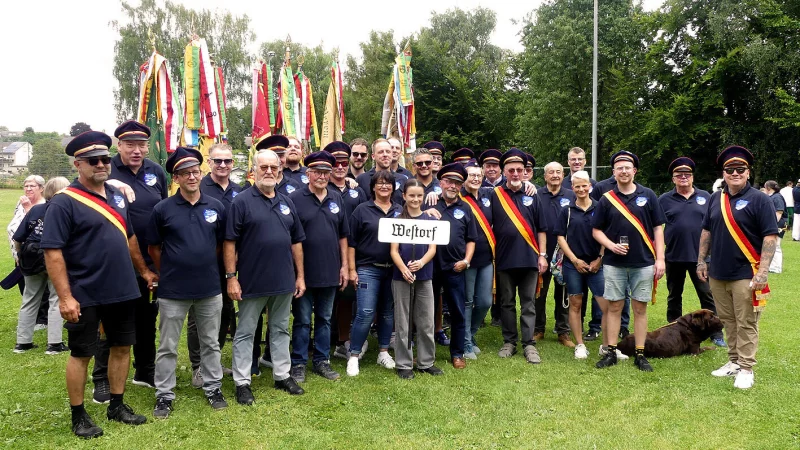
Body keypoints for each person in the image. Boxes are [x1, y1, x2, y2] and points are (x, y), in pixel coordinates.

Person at [41, 131, 157, 438]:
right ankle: (78, 415)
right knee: (82, 353)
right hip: (84, 292)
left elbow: (130, 237)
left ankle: (116, 405)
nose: (102, 165)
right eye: (94, 161)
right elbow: (52, 252)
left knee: (121, 347)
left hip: (121, 288)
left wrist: (143, 271)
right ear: (78, 164)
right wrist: (65, 297)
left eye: (106, 159)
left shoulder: (118, 195)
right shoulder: (64, 202)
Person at [149, 147, 227, 418]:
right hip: (173, 289)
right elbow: (154, 248)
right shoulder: (162, 209)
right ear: (176, 178)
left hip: (209, 287)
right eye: (185, 173)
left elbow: (218, 246)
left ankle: (213, 387)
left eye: (196, 171)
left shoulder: (216, 207)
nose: (192, 177)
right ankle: (164, 395)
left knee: (210, 342)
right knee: (168, 345)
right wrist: (172, 269)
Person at [226, 149, 306, 405]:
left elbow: (296, 242)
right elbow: (230, 242)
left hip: (283, 281)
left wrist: (300, 276)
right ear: (254, 170)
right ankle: (242, 382)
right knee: (246, 332)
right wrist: (231, 277)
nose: (269, 171)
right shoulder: (241, 201)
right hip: (252, 281)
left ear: (280, 171)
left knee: (281, 329)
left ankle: (282, 375)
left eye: (274, 167)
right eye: (264, 167)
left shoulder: (286, 202)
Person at [697, 145, 778, 389]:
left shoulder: (760, 199)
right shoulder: (715, 198)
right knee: (728, 321)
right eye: (729, 169)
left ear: (748, 172)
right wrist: (701, 260)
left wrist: (763, 271)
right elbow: (707, 231)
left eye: (740, 169)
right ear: (723, 173)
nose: (734, 173)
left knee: (747, 322)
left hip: (746, 273)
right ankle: (733, 361)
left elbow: (770, 236)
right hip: (718, 272)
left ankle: (746, 367)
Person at [103, 120, 168, 390]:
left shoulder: (156, 171)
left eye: (142, 144)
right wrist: (112, 182)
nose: (137, 150)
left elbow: (163, 210)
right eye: (130, 144)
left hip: (149, 259)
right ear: (119, 146)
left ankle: (145, 370)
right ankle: (101, 380)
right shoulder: (104, 168)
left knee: (146, 317)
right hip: (114, 260)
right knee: (111, 320)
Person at [592, 150, 666, 372]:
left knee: (640, 308)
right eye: (619, 168)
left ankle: (640, 354)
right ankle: (611, 351)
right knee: (614, 307)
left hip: (643, 262)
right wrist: (610, 245)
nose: (623, 171)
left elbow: (658, 229)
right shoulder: (606, 199)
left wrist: (660, 259)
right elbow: (596, 230)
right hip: (614, 263)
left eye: (627, 167)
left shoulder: (649, 195)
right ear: (613, 173)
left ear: (634, 171)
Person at [288, 151, 349, 382]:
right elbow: (293, 239)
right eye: (317, 172)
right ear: (308, 173)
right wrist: (298, 274)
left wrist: (344, 266)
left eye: (326, 172)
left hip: (330, 271)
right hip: (304, 273)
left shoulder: (336, 198)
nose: (322, 176)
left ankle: (322, 361)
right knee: (303, 320)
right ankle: (299, 363)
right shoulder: (295, 199)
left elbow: (344, 236)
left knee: (324, 319)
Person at [187, 143, 241, 388]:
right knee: (199, 317)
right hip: (204, 264)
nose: (223, 165)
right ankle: (198, 366)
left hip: (232, 264)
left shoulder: (240, 190)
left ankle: (214, 361)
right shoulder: (198, 187)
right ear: (209, 162)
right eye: (218, 161)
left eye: (227, 161)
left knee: (225, 312)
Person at [657, 157, 725, 347]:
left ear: (693, 177)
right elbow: (655, 227)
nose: (683, 178)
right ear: (673, 179)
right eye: (679, 175)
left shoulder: (707, 197)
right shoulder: (664, 199)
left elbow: (715, 225)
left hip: (701, 259)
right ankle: (674, 328)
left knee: (707, 295)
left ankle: (716, 333)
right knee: (673, 296)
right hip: (674, 256)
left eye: (687, 174)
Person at [492, 148, 548, 364]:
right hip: (505, 259)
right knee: (506, 302)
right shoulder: (494, 194)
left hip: (529, 258)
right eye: (511, 170)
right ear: (504, 172)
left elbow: (541, 228)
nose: (515, 174)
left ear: (525, 172)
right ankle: (509, 341)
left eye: (519, 170)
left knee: (528, 303)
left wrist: (542, 255)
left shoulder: (533, 194)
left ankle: (529, 344)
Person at [346, 170, 402, 376]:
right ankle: (353, 355)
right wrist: (352, 269)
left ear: (393, 187)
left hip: (393, 270)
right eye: (380, 183)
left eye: (388, 183)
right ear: (373, 187)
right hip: (368, 268)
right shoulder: (362, 210)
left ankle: (383, 352)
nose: (384, 187)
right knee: (366, 312)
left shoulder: (400, 210)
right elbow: (351, 243)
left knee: (387, 313)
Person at [390, 179, 441, 379]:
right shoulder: (397, 220)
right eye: (411, 195)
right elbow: (393, 250)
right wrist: (403, 268)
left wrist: (421, 263)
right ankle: (403, 364)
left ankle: (426, 362)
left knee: (426, 320)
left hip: (425, 274)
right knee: (403, 321)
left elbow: (433, 249)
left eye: (419, 196)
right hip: (401, 276)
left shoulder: (430, 221)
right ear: (404, 196)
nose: (415, 199)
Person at [12, 176, 69, 354]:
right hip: (55, 258)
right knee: (56, 299)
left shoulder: (35, 209)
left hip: (31, 259)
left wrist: (20, 256)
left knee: (29, 299)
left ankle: (23, 343)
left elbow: (18, 237)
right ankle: (54, 344)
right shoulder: (66, 210)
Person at [554, 171, 605, 359]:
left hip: (596, 265)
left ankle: (607, 345)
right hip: (572, 265)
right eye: (577, 186)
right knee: (575, 304)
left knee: (605, 305)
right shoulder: (566, 210)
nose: (581, 189)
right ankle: (580, 344)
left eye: (585, 185)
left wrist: (600, 258)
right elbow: (560, 237)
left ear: (590, 187)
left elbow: (605, 235)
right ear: (572, 188)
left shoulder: (601, 207)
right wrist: (574, 260)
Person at [323, 141, 368, 359]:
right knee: (330, 297)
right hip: (328, 251)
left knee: (349, 295)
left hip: (355, 250)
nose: (340, 167)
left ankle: (345, 339)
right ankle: (331, 339)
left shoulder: (356, 190)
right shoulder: (323, 189)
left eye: (343, 163)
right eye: (335, 163)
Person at [433, 163, 477, 369]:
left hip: (455, 268)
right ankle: (426, 352)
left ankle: (457, 353)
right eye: (449, 181)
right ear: (441, 182)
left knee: (458, 311)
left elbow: (471, 239)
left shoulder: (466, 208)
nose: (452, 186)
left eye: (457, 183)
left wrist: (466, 261)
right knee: (426, 312)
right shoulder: (430, 204)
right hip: (430, 267)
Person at [534, 162, 576, 348]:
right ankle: (538, 329)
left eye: (559, 172)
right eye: (551, 172)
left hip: (563, 255)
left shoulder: (571, 195)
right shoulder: (535, 195)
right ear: (545, 176)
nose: (555, 175)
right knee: (539, 294)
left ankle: (563, 332)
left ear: (563, 174)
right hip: (541, 253)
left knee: (564, 294)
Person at [460, 161, 494, 359]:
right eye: (471, 175)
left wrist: (528, 184)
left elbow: (512, 188)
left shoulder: (489, 195)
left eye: (478, 175)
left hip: (487, 258)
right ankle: (465, 343)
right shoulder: (458, 198)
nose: (475, 178)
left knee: (485, 302)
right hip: (467, 259)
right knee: (467, 301)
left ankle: (471, 334)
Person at [7, 175, 46, 299]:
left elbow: (37, 229)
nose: (28, 189)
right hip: (19, 256)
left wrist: (29, 208)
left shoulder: (45, 205)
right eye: (26, 186)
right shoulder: (20, 203)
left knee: (38, 296)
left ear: (41, 188)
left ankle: (39, 319)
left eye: (32, 186)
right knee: (24, 292)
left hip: (35, 257)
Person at [763, 180, 785, 273]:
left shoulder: (777, 197)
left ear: (768, 188)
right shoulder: (772, 197)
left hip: (778, 224)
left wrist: (772, 225)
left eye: (765, 186)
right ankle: (771, 266)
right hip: (773, 224)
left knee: (776, 245)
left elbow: (779, 212)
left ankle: (776, 267)